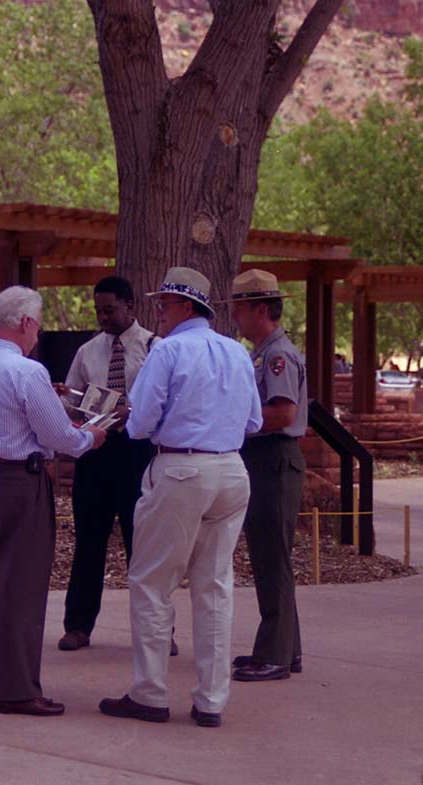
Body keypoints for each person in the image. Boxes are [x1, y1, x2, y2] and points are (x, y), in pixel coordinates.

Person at [99, 267, 262, 729]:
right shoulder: (236, 351)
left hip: (180, 467)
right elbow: (253, 421)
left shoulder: (168, 350)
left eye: (165, 305)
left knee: (152, 582)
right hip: (230, 469)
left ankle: (150, 693)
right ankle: (211, 700)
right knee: (214, 586)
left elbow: (140, 423)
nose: (159, 313)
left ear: (186, 307)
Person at [0, 286, 107, 717]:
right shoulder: (27, 372)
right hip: (18, 482)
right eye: (37, 325)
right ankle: (18, 689)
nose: (38, 334)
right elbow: (59, 436)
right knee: (20, 586)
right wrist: (90, 437)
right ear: (25, 323)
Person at [58, 276, 159, 653]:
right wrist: (70, 404)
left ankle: (156, 630)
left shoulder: (154, 348)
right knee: (89, 540)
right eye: (98, 311)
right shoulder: (87, 352)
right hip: (96, 452)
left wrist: (133, 410)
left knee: (143, 544)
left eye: (110, 310)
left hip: (138, 453)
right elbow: (71, 403)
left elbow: (166, 400)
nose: (103, 317)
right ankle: (78, 625)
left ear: (130, 306)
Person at [224, 270, 308, 683]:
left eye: (240, 309)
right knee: (270, 557)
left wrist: (233, 421)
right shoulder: (263, 354)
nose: (235, 317)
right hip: (265, 459)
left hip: (273, 459)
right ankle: (285, 649)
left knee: (272, 559)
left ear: (261, 310)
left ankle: (274, 655)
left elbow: (283, 413)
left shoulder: (278, 356)